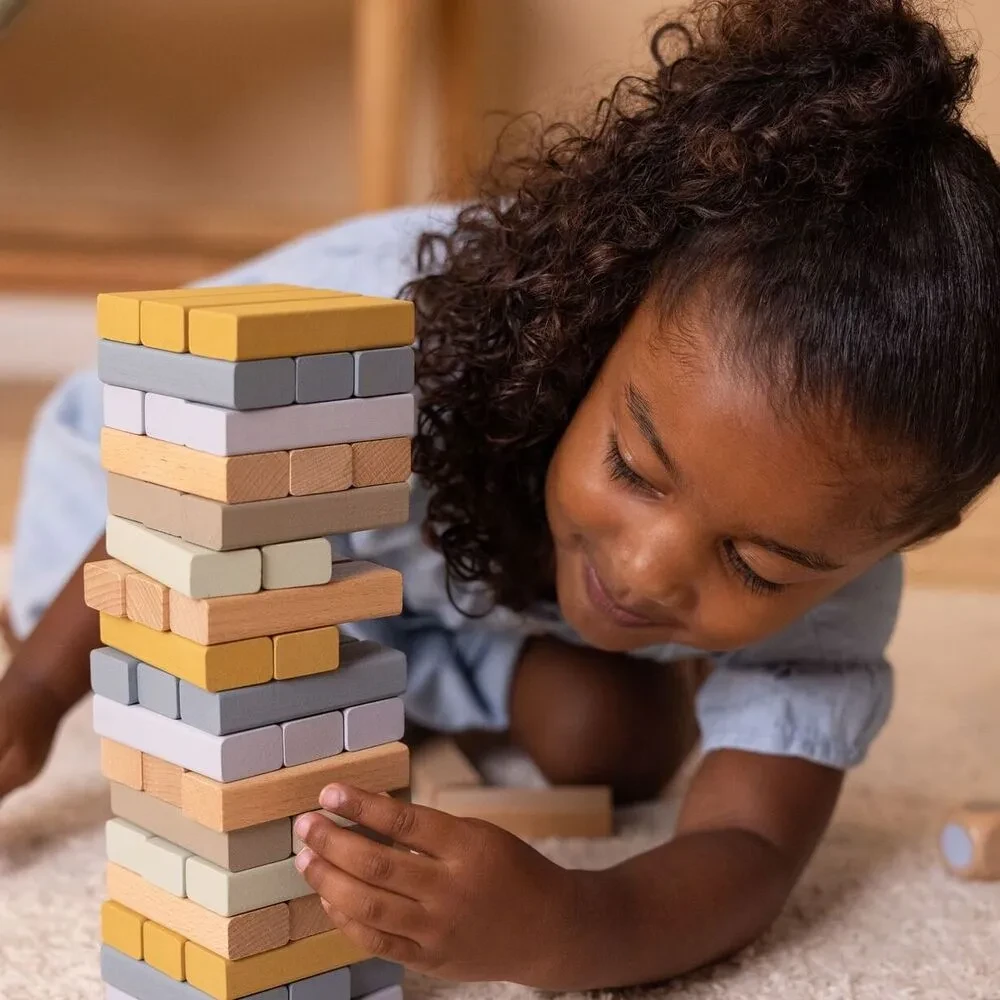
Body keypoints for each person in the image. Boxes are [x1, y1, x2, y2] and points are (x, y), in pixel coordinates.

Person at [3, 0, 999, 988]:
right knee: (192, 714)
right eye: (633, 468)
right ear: (606, 319)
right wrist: (37, 695)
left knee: (614, 734)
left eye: (755, 562)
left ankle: (383, 681)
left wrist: (578, 919)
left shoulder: (840, 532)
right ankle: (337, 679)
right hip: (147, 497)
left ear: (903, 536)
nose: (647, 568)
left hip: (412, 586)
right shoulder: (411, 340)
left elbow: (750, 843)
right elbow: (177, 515)